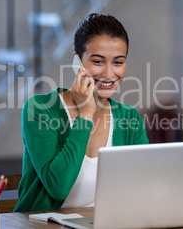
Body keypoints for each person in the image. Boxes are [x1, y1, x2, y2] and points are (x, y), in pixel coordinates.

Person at [14, 13, 149, 212]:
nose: (109, 74)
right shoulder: (39, 109)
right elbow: (58, 188)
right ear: (77, 62)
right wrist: (85, 116)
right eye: (98, 62)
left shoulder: (129, 118)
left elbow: (143, 185)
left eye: (118, 62)